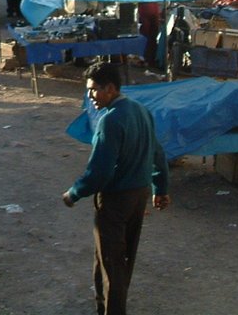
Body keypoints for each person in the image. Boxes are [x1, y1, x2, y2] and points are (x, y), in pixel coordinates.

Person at [62, 62, 170, 315]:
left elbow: (98, 172)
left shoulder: (110, 121)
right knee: (116, 258)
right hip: (139, 196)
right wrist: (160, 187)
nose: (90, 97)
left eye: (94, 90)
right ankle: (103, 306)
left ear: (110, 89)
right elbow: (158, 153)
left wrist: (73, 193)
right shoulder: (140, 110)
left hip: (115, 200)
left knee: (112, 264)